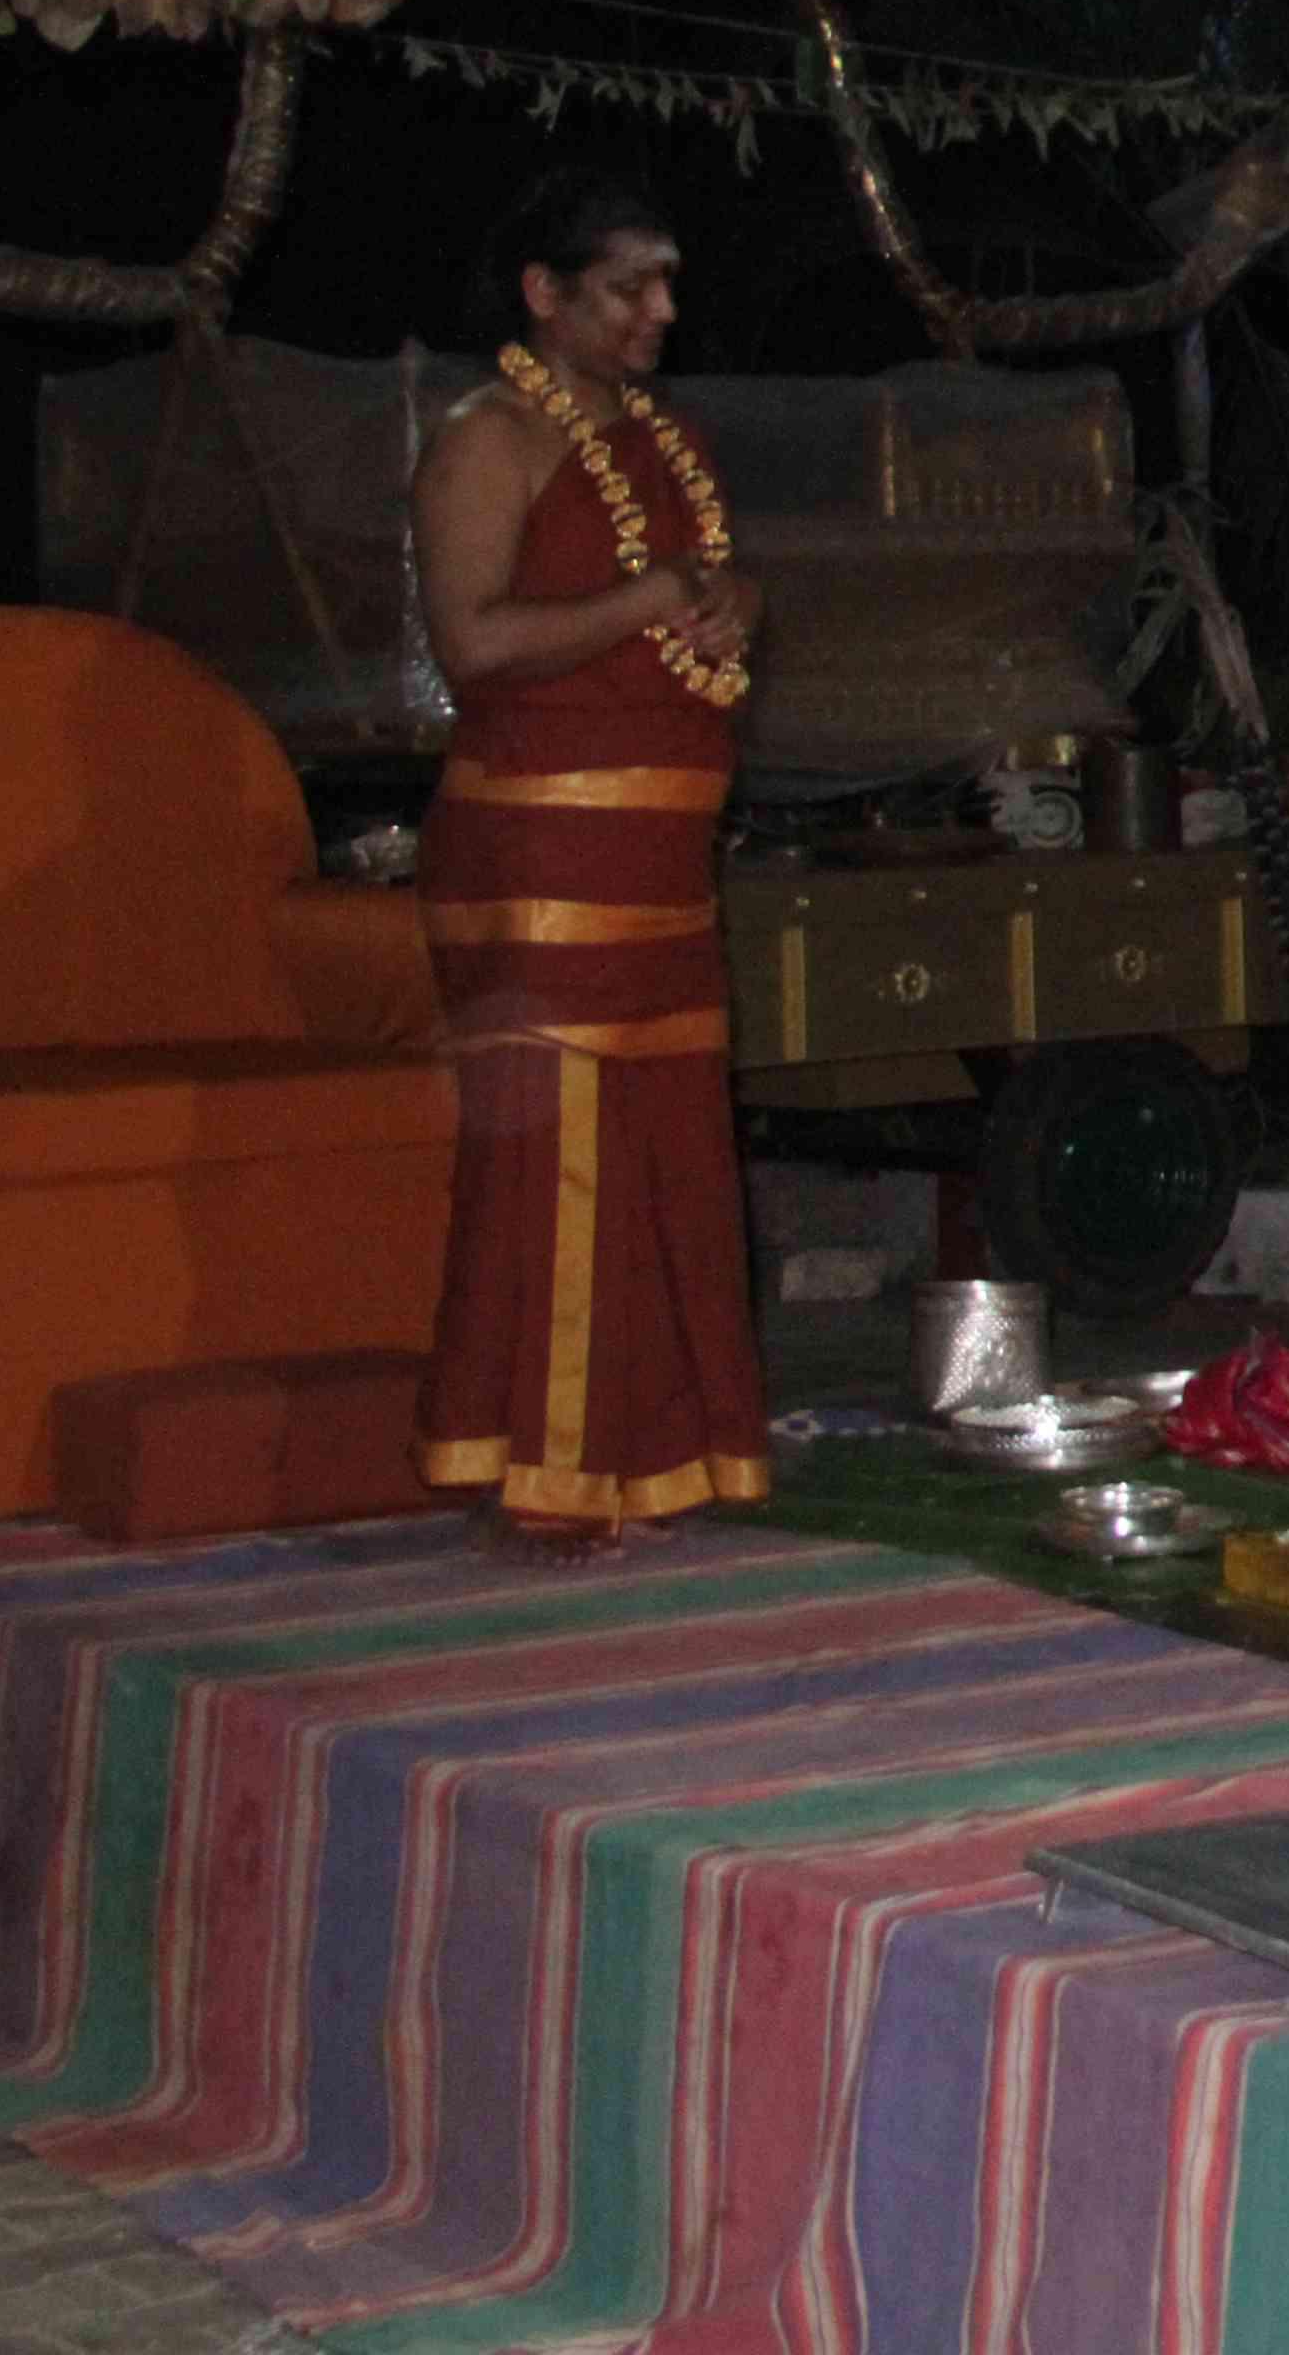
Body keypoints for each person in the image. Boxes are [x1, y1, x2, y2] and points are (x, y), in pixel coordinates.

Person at [409, 172, 771, 1553]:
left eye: (667, 282)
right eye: (629, 287)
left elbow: (701, 590)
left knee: (668, 1151)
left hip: (662, 859)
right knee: (559, 1160)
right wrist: (647, 599)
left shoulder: (666, 441)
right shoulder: (486, 440)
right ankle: (548, 1472)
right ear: (544, 295)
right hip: (538, 851)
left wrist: (732, 604)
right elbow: (474, 645)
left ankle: (665, 1460)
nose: (661, 312)